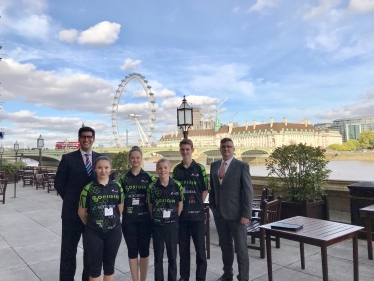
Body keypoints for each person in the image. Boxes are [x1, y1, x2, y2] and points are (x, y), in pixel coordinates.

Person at [55, 126, 101, 281]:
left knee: (90, 252)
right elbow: (59, 184)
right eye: (83, 137)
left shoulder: (100, 159)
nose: (86, 139)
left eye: (89, 137)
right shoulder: (68, 159)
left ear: (93, 139)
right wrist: (72, 201)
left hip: (94, 215)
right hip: (71, 214)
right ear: (79, 139)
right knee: (68, 251)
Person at [209, 138, 253, 281]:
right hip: (220, 214)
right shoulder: (214, 165)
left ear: (233, 149)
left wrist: (246, 214)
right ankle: (227, 274)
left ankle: (243, 277)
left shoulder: (242, 166)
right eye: (223, 146)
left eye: (229, 146)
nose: (226, 149)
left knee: (241, 249)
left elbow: (248, 191)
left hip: (237, 215)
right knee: (225, 247)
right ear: (220, 149)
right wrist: (213, 207)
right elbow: (213, 189)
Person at [78, 156, 124, 281]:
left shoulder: (118, 188)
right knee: (95, 269)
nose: (103, 170)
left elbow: (120, 209)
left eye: (106, 167)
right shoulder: (88, 189)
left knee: (110, 267)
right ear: (95, 169)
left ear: (110, 170)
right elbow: (82, 212)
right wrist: (94, 224)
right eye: (100, 167)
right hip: (94, 233)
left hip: (114, 232)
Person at [173, 139, 209, 281]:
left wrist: (197, 203)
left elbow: (205, 190)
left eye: (188, 149)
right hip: (182, 217)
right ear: (180, 150)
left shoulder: (200, 169)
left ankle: (200, 278)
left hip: (197, 216)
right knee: (183, 250)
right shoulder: (176, 170)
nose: (185, 152)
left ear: (192, 150)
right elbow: (174, 191)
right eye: (183, 149)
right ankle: (184, 277)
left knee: (200, 251)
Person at [118, 146, 156, 281]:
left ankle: (143, 279)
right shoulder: (123, 179)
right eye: (132, 157)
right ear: (129, 159)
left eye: (138, 157)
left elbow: (156, 197)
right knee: (132, 251)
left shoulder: (149, 177)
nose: (135, 160)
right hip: (129, 220)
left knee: (145, 251)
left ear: (141, 159)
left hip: (145, 220)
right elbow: (119, 199)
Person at [147, 158, 183, 281]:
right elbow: (150, 206)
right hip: (157, 226)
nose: (163, 170)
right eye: (160, 168)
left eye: (165, 167)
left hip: (172, 225)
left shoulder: (177, 185)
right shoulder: (152, 187)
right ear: (157, 170)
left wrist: (175, 217)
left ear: (169, 169)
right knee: (158, 257)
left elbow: (180, 204)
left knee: (172, 255)